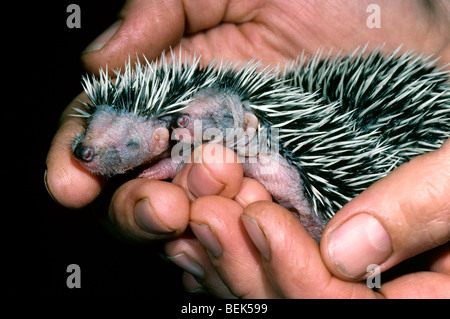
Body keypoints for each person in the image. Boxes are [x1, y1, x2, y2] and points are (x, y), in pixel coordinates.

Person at [45, 0, 450, 298]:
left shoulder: (226, 124)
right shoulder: (196, 133)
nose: (87, 151)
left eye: (130, 143)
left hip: (393, 123)